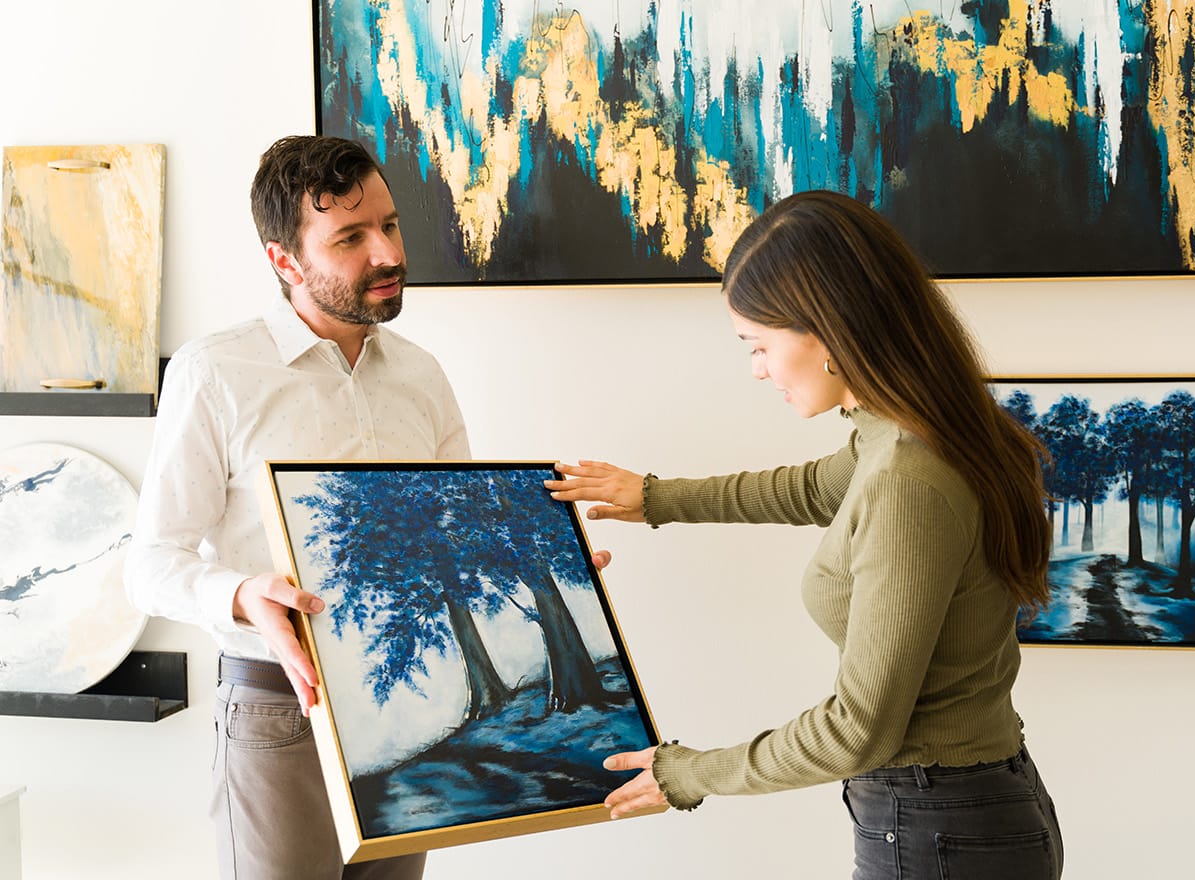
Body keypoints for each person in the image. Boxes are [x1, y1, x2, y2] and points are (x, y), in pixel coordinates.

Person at [547, 190, 1064, 879]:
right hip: (963, 816)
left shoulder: (910, 475)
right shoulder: (906, 434)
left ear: (827, 330)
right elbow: (808, 488)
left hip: (938, 831)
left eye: (758, 345)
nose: (756, 368)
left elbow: (857, 729)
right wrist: (651, 497)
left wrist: (692, 773)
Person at [123, 136, 468, 880]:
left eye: (390, 225)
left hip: (412, 702)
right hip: (279, 710)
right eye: (350, 238)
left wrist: (546, 558)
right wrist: (244, 594)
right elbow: (149, 564)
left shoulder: (423, 375)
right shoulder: (215, 373)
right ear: (285, 262)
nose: (386, 252)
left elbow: (450, 535)